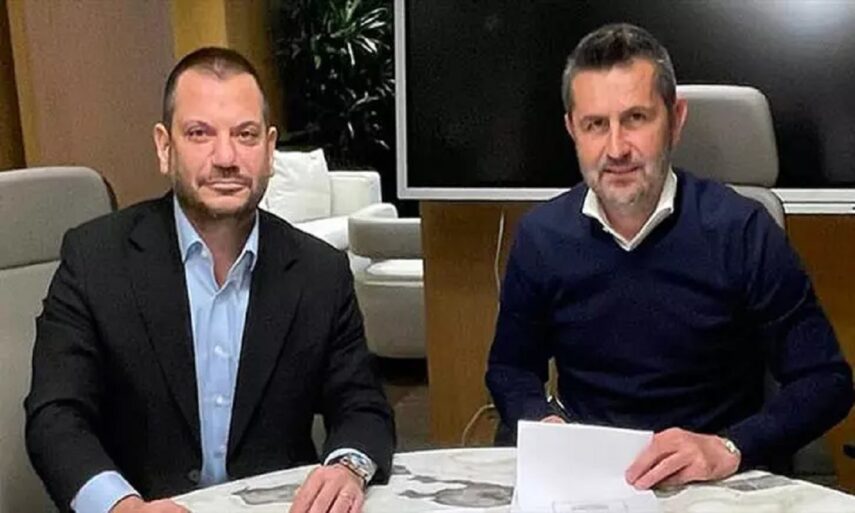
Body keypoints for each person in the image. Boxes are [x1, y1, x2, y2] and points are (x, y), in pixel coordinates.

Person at [25, 47, 395, 513]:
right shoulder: (95, 259)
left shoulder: (320, 271)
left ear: (270, 150)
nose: (226, 157)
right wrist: (122, 507)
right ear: (165, 147)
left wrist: (347, 467)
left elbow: (362, 404)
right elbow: (56, 415)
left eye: (245, 134)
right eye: (200, 133)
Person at [486, 23, 853, 490]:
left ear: (675, 120)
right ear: (571, 130)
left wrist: (730, 447)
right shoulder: (542, 237)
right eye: (595, 125)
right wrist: (543, 422)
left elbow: (825, 381)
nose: (616, 149)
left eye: (636, 118)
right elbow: (511, 368)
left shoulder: (743, 231)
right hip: (592, 481)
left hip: (714, 483)